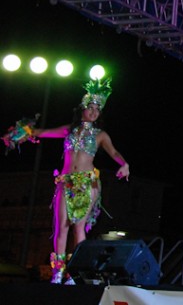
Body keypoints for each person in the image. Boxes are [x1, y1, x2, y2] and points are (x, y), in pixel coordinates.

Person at [28, 79, 130, 284]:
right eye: (90, 107)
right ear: (82, 108)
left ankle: (74, 273)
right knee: (61, 227)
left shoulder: (100, 135)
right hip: (65, 181)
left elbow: (114, 152)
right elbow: (43, 132)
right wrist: (24, 132)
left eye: (97, 109)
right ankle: (58, 272)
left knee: (78, 227)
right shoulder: (69, 130)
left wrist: (124, 164)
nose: (94, 112)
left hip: (86, 183)